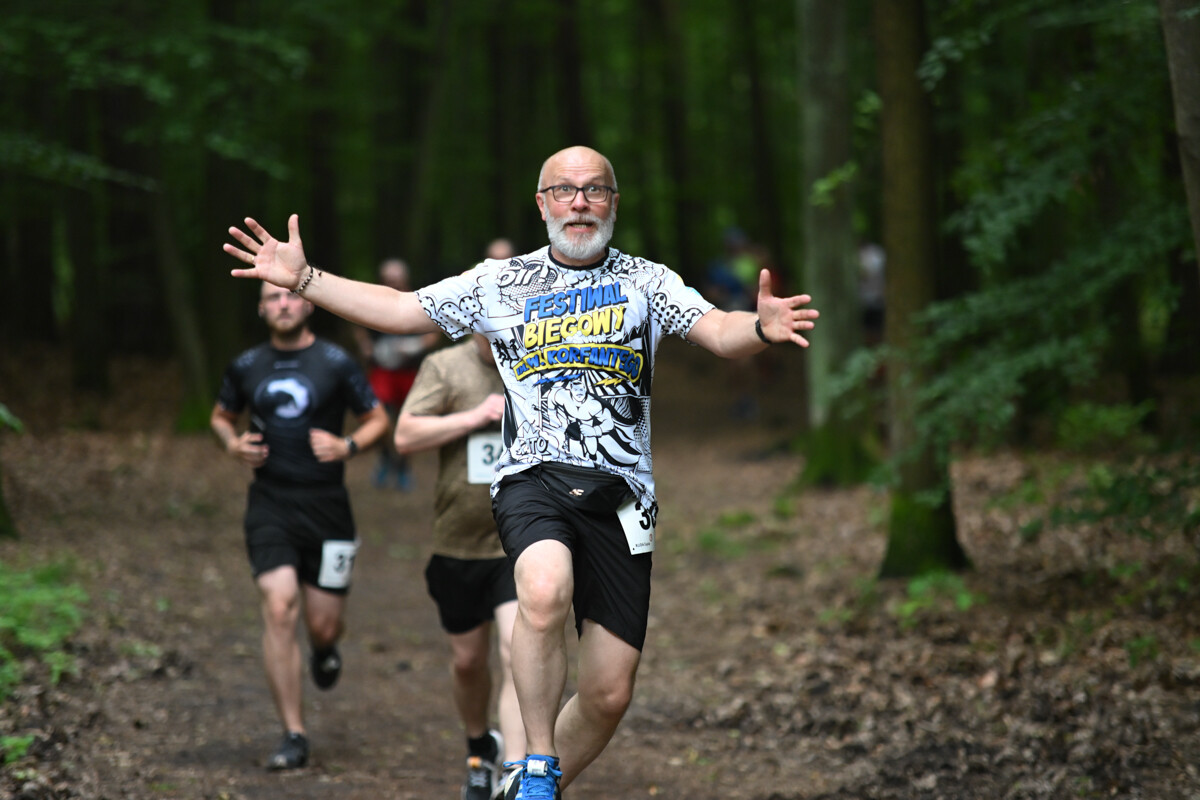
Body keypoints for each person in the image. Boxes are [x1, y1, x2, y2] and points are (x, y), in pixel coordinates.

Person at [223, 145, 819, 799]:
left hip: (623, 500)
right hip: (533, 479)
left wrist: (759, 328)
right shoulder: (498, 282)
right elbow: (399, 310)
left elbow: (720, 330)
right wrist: (305, 279)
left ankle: (527, 790)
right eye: (564, 190)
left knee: (609, 693)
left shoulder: (648, 282)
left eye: (595, 190)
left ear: (614, 204)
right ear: (542, 204)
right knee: (542, 588)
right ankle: (535, 762)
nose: (580, 202)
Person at [210, 281, 389, 771]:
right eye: (273, 298)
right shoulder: (246, 365)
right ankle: (294, 732)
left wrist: (347, 447)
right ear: (261, 308)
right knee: (279, 606)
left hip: (328, 508)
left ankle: (325, 649)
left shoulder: (335, 362)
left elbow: (378, 419)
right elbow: (221, 417)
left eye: (290, 295)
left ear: (307, 304)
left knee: (323, 625)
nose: (283, 304)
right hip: (270, 504)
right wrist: (232, 444)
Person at [393, 333, 523, 800]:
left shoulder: (539, 358)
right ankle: (479, 749)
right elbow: (404, 436)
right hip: (458, 544)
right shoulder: (446, 366)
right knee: (468, 662)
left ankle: (515, 773)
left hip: (518, 542)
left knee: (516, 654)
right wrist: (475, 416)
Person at [352, 258, 440, 490]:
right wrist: (366, 346)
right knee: (380, 416)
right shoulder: (372, 299)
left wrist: (415, 346)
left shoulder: (419, 299)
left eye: (397, 280)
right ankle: (384, 459)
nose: (394, 284)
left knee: (408, 418)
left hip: (409, 372)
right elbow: (357, 325)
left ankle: (402, 466)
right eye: (389, 280)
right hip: (382, 371)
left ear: (405, 279)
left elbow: (435, 332)